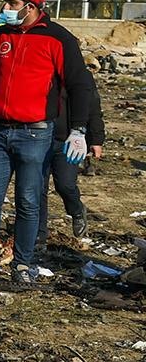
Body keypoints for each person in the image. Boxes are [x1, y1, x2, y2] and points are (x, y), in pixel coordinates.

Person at [0, 0, 95, 288]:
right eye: (5, 1)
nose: (5, 7)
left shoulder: (58, 39)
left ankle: (24, 264)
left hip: (36, 134)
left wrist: (80, 129)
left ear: (30, 7)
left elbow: (80, 84)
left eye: (12, 3)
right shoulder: (0, 33)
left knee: (28, 202)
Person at [39, 90, 104, 245]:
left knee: (65, 184)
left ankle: (77, 209)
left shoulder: (79, 79)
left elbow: (93, 107)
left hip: (69, 141)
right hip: (38, 138)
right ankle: (39, 235)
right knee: (37, 188)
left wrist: (96, 139)